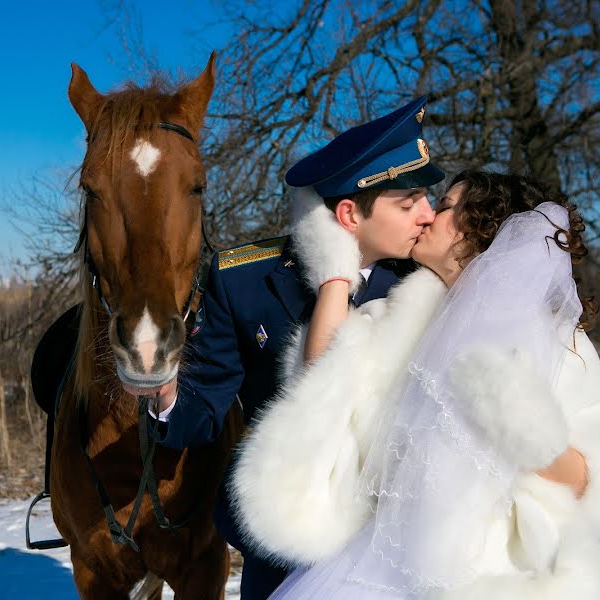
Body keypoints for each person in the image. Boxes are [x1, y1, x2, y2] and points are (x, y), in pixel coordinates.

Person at [232, 171, 600, 599]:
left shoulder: (560, 341)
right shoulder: (398, 315)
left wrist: (528, 434)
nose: (427, 216)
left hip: (513, 574)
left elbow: (592, 483)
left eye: (445, 206)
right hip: (387, 563)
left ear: (480, 229)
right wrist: (335, 270)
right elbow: (320, 382)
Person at [126, 96, 445, 599]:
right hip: (287, 539)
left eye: (427, 198)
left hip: (397, 541)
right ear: (348, 213)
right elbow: (203, 404)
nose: (429, 214)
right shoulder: (244, 280)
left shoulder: (432, 277)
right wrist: (166, 397)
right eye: (408, 204)